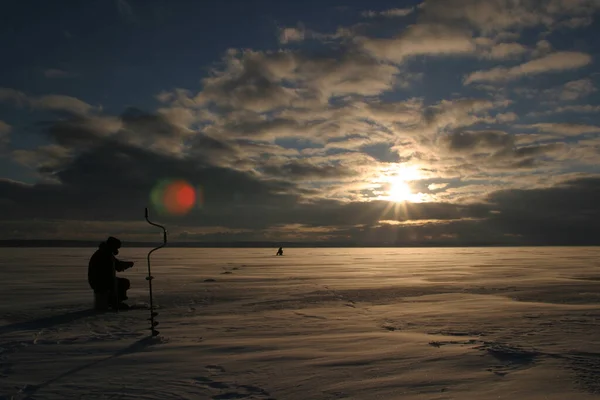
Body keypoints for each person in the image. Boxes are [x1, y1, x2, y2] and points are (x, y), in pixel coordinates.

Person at [88, 236, 134, 310]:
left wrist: (127, 264)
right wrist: (127, 264)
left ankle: (113, 301)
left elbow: (117, 264)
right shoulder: (105, 254)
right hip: (100, 281)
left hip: (101, 280)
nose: (117, 250)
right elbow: (118, 266)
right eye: (116, 248)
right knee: (123, 283)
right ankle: (115, 302)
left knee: (121, 282)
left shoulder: (105, 252)